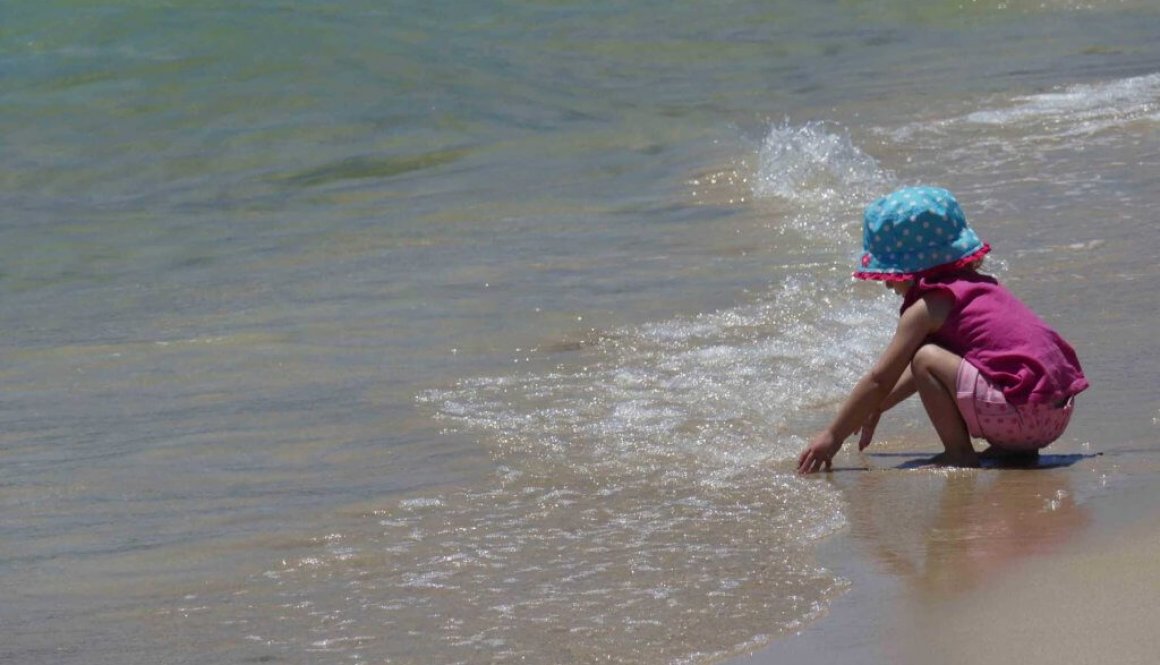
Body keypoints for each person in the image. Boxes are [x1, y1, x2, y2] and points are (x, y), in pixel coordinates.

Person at [797, 186, 1089, 473]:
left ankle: (959, 453)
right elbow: (925, 372)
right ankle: (1017, 450)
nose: (887, 283)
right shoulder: (982, 287)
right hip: (1055, 413)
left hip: (1020, 418)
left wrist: (832, 436)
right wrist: (878, 407)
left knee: (925, 356)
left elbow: (881, 379)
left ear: (912, 269)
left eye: (889, 274)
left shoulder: (929, 306)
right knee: (933, 358)